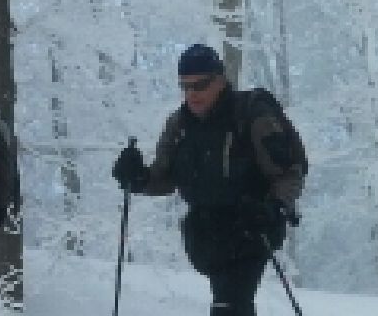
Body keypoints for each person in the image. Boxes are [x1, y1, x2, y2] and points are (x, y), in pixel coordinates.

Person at [112, 44, 307, 316]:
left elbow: (288, 171)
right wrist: (137, 177)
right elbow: (165, 177)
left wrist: (274, 207)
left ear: (220, 80)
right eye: (185, 86)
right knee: (227, 302)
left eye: (200, 85)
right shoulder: (179, 124)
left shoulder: (252, 114)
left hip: (250, 228)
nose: (192, 94)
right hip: (206, 235)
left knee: (230, 305)